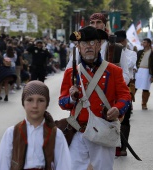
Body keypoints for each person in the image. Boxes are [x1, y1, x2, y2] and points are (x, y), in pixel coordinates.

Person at [59, 26, 131, 170]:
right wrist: (72, 99)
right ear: (78, 47)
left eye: (92, 43)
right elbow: (62, 102)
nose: (88, 47)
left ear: (99, 45)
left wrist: (117, 109)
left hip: (102, 131)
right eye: (84, 43)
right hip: (78, 131)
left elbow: (125, 95)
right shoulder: (70, 73)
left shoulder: (114, 71)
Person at [0, 80, 71, 170]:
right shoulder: (11, 133)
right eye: (30, 100)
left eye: (40, 100)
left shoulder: (56, 135)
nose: (35, 105)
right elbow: (3, 165)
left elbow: (64, 166)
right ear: (23, 103)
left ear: (47, 104)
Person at [66, 13, 130, 85]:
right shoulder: (81, 49)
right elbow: (68, 72)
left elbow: (126, 75)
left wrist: (113, 83)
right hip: (85, 93)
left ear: (104, 25)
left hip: (108, 93)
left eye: (99, 22)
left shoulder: (117, 49)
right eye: (92, 23)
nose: (95, 26)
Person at [114, 30, 137, 156]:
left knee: (125, 118)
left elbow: (128, 65)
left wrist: (119, 59)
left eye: (119, 42)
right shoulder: (110, 52)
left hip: (126, 87)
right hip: (112, 86)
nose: (117, 44)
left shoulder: (131, 53)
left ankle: (123, 147)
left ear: (124, 41)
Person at [135, 38, 153, 110]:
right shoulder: (139, 52)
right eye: (143, 42)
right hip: (138, 71)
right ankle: (129, 103)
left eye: (145, 42)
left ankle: (144, 103)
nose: (143, 43)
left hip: (147, 72)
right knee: (134, 87)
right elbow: (135, 61)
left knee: (145, 88)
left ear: (149, 44)